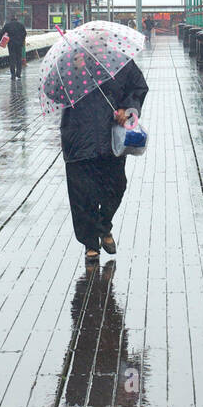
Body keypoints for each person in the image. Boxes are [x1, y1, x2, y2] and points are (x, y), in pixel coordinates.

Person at [61, 56, 148, 266]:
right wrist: (74, 71)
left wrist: (127, 110)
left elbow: (138, 87)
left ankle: (103, 225)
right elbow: (56, 92)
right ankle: (91, 244)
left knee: (116, 186)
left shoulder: (119, 60)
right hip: (78, 136)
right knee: (83, 194)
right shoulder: (70, 62)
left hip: (110, 139)